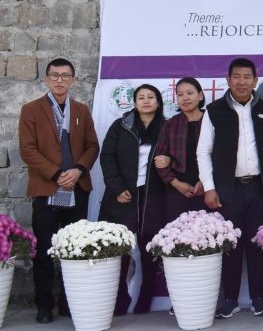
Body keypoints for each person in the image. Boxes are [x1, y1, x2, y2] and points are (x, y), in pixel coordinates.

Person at [18, 58, 99, 323]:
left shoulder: (81, 110)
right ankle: (44, 306)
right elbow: (28, 150)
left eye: (65, 75)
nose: (60, 80)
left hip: (77, 188)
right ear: (46, 79)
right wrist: (56, 174)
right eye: (55, 75)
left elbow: (91, 146)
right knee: (44, 251)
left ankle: (69, 302)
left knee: (74, 250)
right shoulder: (31, 110)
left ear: (73, 80)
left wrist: (78, 170)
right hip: (47, 189)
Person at [197, 57, 263, 318]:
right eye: (237, 77)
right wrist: (209, 187)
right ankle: (229, 299)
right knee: (229, 246)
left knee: (257, 244)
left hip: (259, 189)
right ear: (228, 80)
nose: (242, 82)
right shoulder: (214, 110)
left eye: (247, 77)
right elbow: (203, 152)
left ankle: (258, 298)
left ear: (255, 81)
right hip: (228, 190)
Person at [99, 84, 167, 315]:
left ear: (158, 102)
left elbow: (179, 157)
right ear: (134, 102)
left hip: (153, 197)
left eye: (151, 97)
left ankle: (144, 299)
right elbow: (107, 157)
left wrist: (168, 162)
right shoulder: (121, 126)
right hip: (122, 196)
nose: (146, 101)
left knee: (149, 250)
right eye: (141, 97)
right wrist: (117, 187)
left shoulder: (167, 127)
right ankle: (118, 299)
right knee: (120, 249)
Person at [153, 77, 208, 226]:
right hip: (177, 191)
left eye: (190, 93)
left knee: (207, 235)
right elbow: (160, 159)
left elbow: (221, 156)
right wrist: (177, 184)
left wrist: (205, 182)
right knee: (176, 236)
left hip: (208, 189)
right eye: (180, 94)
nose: (185, 98)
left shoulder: (211, 121)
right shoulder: (171, 124)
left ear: (200, 96)